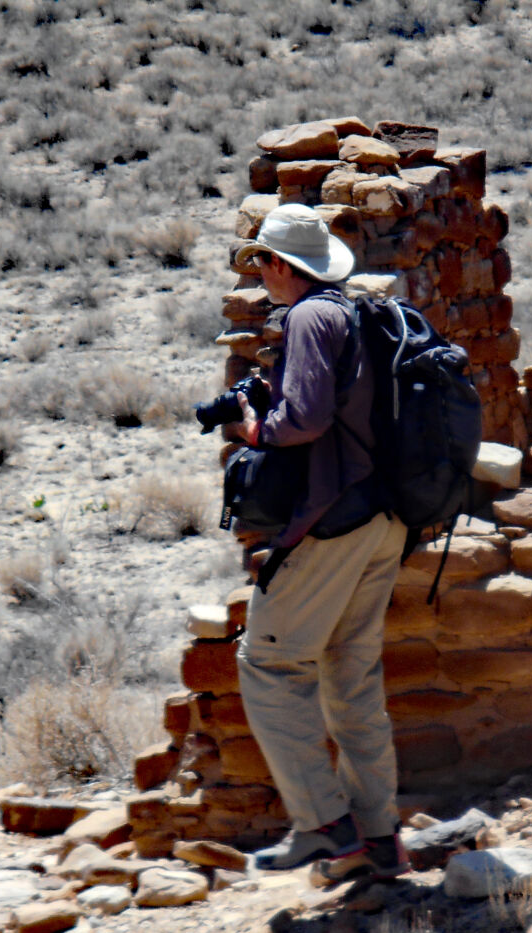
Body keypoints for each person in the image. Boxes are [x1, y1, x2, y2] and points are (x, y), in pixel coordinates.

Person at [222, 203, 409, 879]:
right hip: (383, 519)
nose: (259, 276)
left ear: (279, 264)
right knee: (352, 681)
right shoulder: (356, 311)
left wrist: (252, 428)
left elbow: (302, 418)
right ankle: (382, 838)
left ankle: (328, 826)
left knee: (269, 665)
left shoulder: (306, 316)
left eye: (260, 264)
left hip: (334, 521)